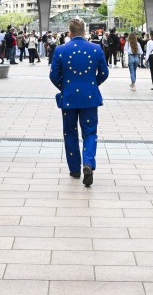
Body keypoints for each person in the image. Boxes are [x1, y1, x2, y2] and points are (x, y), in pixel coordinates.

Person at [49, 17, 109, 186]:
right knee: (90, 132)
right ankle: (88, 163)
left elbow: (53, 76)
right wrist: (92, 84)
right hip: (90, 98)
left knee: (70, 132)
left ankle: (75, 169)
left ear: (70, 32)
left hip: (69, 99)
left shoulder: (61, 50)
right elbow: (104, 73)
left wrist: (65, 88)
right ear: (84, 31)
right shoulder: (96, 49)